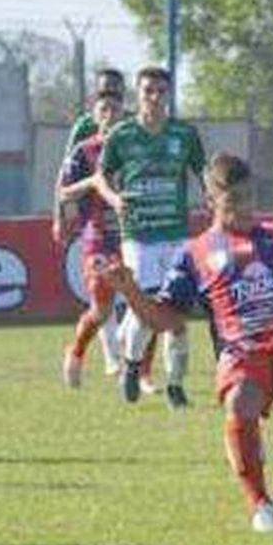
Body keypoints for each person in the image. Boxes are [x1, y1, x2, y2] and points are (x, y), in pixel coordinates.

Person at [97, 153, 273, 533]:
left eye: (249, 198)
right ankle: (260, 506)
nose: (245, 209)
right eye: (233, 202)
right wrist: (128, 290)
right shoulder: (193, 254)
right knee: (240, 400)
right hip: (241, 350)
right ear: (210, 203)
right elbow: (166, 319)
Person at [93, 66, 207, 408]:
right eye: (148, 92)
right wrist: (114, 199)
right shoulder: (122, 135)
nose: (154, 98)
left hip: (175, 233)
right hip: (139, 235)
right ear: (137, 95)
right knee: (150, 308)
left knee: (175, 314)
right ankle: (133, 363)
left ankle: (174, 384)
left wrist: (212, 197)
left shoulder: (184, 134)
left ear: (168, 95)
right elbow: (100, 177)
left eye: (160, 91)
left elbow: (203, 172)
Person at [55, 67, 127, 376]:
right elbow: (63, 189)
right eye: (104, 109)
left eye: (115, 107)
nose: (110, 113)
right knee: (102, 301)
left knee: (143, 299)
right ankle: (83, 351)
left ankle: (134, 363)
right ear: (95, 114)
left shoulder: (135, 143)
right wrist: (91, 186)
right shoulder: (83, 148)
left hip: (132, 234)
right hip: (97, 233)